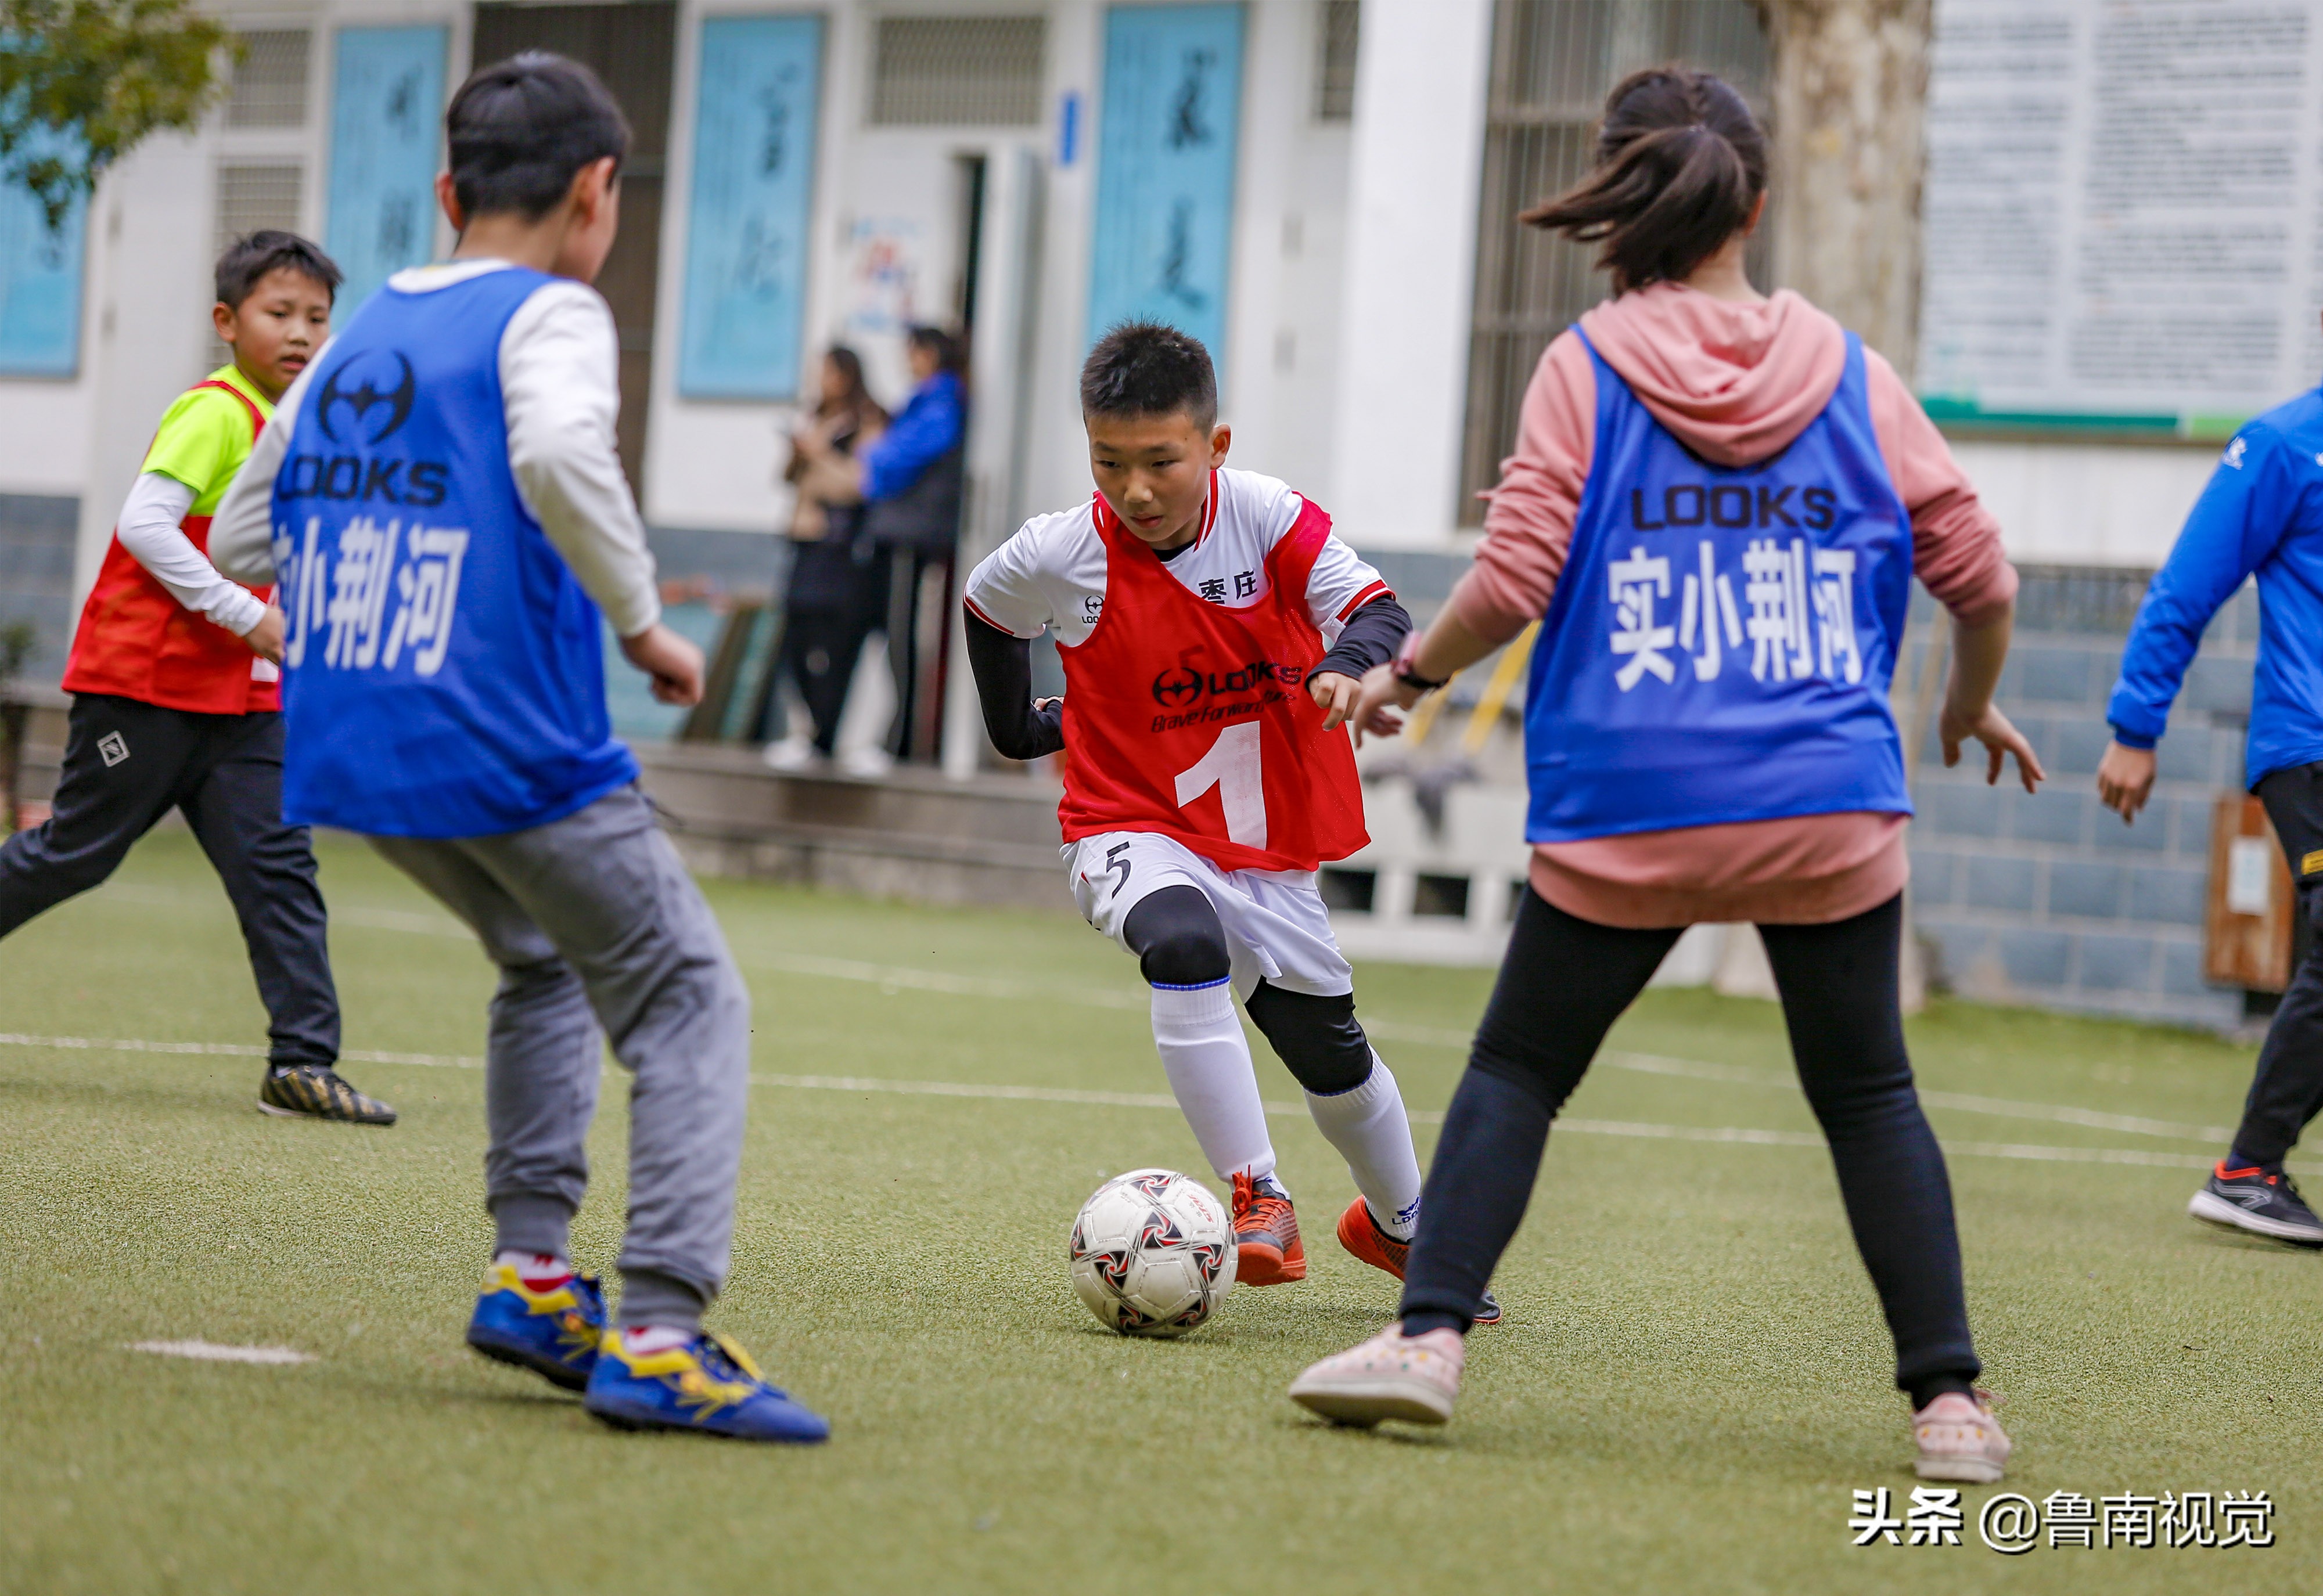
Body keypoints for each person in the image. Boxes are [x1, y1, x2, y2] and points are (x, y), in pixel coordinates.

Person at [1284, 69, 2038, 1484]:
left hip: (1631, 799)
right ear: (1754, 202)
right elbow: (1979, 575)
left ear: (1621, 194)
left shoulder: (1586, 362)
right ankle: (1950, 1406)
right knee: (1868, 1093)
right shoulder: (1852, 372)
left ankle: (1428, 1339)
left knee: (1517, 1065)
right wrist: (1969, 701)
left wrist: (1413, 672)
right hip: (1824, 797)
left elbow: (1511, 577)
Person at [211, 52, 826, 1443]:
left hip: (355, 747)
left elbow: (248, 529)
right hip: (503, 735)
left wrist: (345, 612)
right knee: (688, 1001)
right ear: (598, 192)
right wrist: (645, 618)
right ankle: (663, 1333)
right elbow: (554, 453)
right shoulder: (552, 312)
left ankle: (537, 1278)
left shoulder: (359, 330)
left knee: (544, 960)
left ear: (445, 190)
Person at [961, 320, 1499, 1319]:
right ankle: (1261, 1194)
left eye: (1161, 461)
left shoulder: (1268, 518)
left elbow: (1377, 611)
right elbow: (989, 606)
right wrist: (1020, 727)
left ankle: (1402, 1228)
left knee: (1331, 1052)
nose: (1136, 489)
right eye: (1109, 461)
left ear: (1215, 445)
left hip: (1269, 845)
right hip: (1123, 818)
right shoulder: (1062, 549)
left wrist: (1346, 664)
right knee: (1180, 938)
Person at [0, 232, 394, 1126]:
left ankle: (301, 1062)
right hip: (145, 688)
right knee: (75, 855)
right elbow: (146, 525)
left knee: (279, 869)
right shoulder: (213, 411)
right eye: (279, 313)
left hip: (246, 701)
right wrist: (246, 616)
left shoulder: (306, 428)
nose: (300, 334)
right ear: (227, 322)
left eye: (318, 319)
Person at [2099, 334, 2323, 1248]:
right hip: (2308, 746)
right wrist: (2134, 727)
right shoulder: (2281, 445)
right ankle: (2247, 1169)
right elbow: (2187, 585)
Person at [797, 324, 967, 773]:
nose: (906, 361)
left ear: (928, 354)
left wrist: (867, 454)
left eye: (911, 352)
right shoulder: (925, 400)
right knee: (888, 637)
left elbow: (892, 458)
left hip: (912, 536)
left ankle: (902, 745)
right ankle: (877, 739)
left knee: (903, 641)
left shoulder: (941, 401)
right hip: (896, 535)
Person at [764, 347, 889, 770]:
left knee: (836, 642)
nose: (822, 380)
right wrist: (798, 451)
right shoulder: (815, 415)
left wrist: (817, 451)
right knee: (794, 637)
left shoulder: (865, 421)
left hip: (840, 547)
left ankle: (828, 736)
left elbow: (859, 485)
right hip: (804, 537)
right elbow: (786, 478)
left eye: (830, 372)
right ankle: (814, 728)